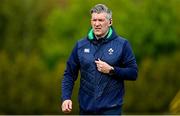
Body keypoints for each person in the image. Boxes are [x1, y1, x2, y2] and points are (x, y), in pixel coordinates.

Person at [61, 4, 138, 115]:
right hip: (85, 110)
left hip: (111, 110)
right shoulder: (80, 45)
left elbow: (133, 73)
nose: (97, 24)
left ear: (110, 22)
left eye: (101, 20)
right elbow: (69, 74)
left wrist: (112, 70)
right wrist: (66, 97)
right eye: (94, 20)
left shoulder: (122, 44)